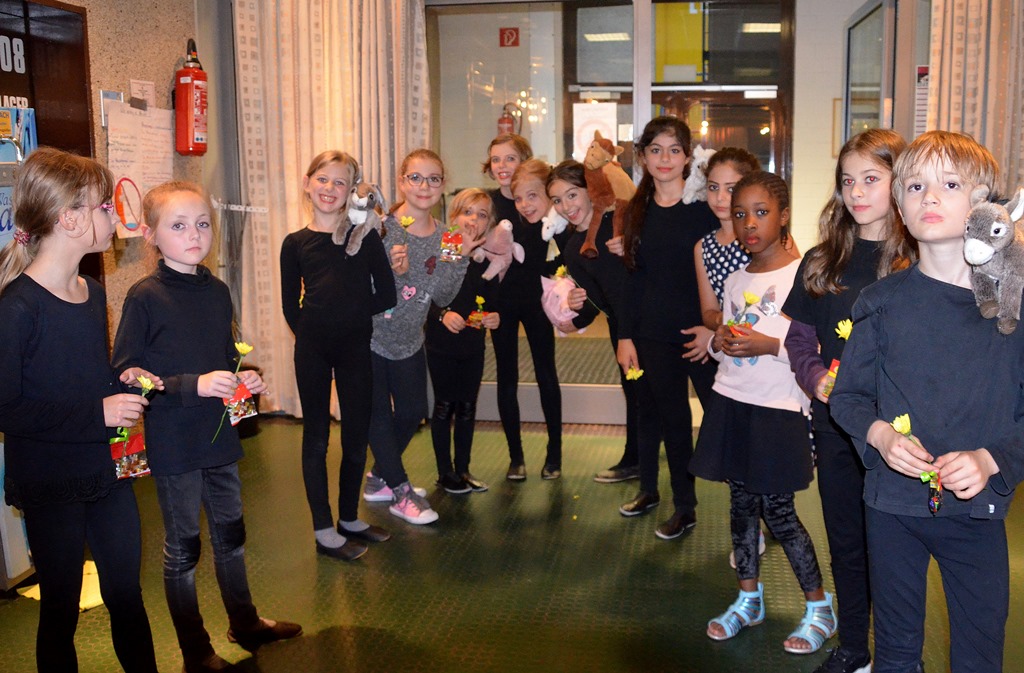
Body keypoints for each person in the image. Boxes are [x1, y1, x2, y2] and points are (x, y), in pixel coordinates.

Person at [831, 130, 1024, 673]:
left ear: (983, 204)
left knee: (979, 654)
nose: (930, 197)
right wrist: (880, 436)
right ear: (899, 205)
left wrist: (990, 459)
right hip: (892, 506)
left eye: (950, 185)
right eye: (915, 186)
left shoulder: (1012, 309)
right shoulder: (880, 302)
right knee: (895, 652)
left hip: (977, 510)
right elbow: (848, 398)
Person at [113, 182, 301, 673]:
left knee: (231, 534)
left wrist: (244, 378)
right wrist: (190, 385)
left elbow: (222, 360)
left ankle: (245, 623)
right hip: (175, 442)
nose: (194, 235)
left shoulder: (217, 292)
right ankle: (195, 650)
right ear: (152, 236)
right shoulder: (144, 297)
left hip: (219, 438)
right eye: (178, 226)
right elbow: (127, 375)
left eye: (202, 224)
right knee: (183, 549)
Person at [0, 147, 160, 673]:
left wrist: (122, 380)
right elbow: (8, 409)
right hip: (50, 481)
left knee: (126, 595)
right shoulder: (17, 308)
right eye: (104, 207)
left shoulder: (91, 292)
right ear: (69, 219)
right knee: (61, 608)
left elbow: (83, 377)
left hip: (105, 472)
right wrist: (99, 413)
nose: (115, 217)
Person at [782, 128, 912, 673]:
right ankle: (854, 647)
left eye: (871, 179)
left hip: (901, 435)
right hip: (836, 427)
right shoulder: (822, 260)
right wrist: (815, 379)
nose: (857, 192)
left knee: (896, 552)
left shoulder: (920, 261)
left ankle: (899, 657)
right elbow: (799, 340)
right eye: (848, 180)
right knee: (846, 542)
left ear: (900, 182)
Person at [690, 170, 836, 655]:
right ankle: (748, 598)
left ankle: (820, 607)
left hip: (779, 410)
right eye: (740, 214)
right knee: (740, 507)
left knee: (779, 512)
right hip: (733, 402)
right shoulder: (736, 278)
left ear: (784, 215)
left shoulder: (804, 277)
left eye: (761, 212)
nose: (749, 223)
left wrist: (767, 344)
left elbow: (816, 350)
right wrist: (720, 339)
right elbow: (728, 341)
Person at [280, 150, 396, 561]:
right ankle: (323, 528)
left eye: (340, 182)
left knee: (356, 434)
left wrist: (351, 316)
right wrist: (314, 328)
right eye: (323, 179)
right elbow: (290, 305)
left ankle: (349, 517)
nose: (330, 188)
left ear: (352, 192)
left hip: (355, 346)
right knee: (316, 435)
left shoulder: (364, 239)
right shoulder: (295, 243)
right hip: (312, 347)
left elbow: (387, 293)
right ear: (307, 183)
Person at [615, 116, 719, 539]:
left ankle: (754, 515)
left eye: (674, 150)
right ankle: (683, 506)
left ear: (687, 157)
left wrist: (715, 333)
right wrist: (625, 336)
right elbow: (631, 278)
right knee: (672, 422)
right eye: (656, 150)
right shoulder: (635, 211)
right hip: (653, 335)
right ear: (642, 157)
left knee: (724, 419)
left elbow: (726, 273)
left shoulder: (704, 209)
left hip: (704, 335)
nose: (665, 159)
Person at [365, 148, 475, 524]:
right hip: (371, 336)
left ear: (443, 185)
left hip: (410, 339)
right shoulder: (382, 227)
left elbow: (441, 295)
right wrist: (395, 273)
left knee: (413, 412)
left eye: (433, 179)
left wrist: (460, 257)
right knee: (379, 416)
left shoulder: (449, 237)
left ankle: (379, 476)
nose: (423, 186)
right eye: (415, 177)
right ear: (401, 181)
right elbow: (365, 283)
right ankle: (401, 491)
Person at [546, 160, 638, 483]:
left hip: (644, 325)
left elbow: (627, 286)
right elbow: (597, 300)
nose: (566, 206)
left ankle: (650, 463)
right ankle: (636, 459)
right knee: (634, 391)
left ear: (590, 190)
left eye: (572, 194)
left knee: (654, 395)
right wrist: (575, 309)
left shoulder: (619, 224)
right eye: (557, 200)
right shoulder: (573, 247)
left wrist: (626, 337)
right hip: (620, 328)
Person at [492, 158, 569, 480]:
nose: (524, 205)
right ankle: (516, 457)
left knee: (546, 374)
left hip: (538, 306)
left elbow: (567, 264)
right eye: (518, 198)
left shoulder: (558, 225)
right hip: (503, 305)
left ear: (549, 194)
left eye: (532, 196)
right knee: (506, 377)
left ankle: (555, 454)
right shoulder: (504, 219)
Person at [425, 188, 501, 494]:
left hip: (473, 344)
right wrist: (442, 314)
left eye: (482, 215)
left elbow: (491, 300)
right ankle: (445, 473)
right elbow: (422, 295)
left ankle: (463, 470)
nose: (473, 220)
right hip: (441, 343)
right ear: (453, 216)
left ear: (489, 223)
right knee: (445, 405)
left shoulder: (487, 258)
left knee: (468, 406)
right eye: (467, 212)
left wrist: (494, 317)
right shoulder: (442, 251)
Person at [693, 147, 761, 330]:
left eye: (731, 189)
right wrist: (726, 319)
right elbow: (708, 312)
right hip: (732, 338)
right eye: (713, 187)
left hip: (773, 337)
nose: (719, 197)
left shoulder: (767, 237)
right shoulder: (704, 247)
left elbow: (796, 292)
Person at [482, 133, 533, 225]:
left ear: (524, 162)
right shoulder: (486, 204)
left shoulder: (540, 202)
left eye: (510, 159)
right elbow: (458, 228)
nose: (501, 165)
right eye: (496, 160)